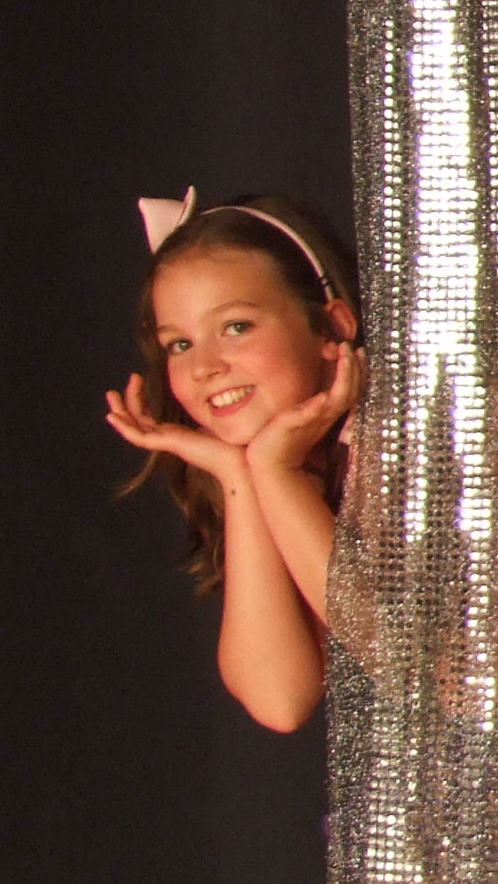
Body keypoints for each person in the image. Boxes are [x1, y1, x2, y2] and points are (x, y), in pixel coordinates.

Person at [103, 190, 367, 732]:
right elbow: (280, 699)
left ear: (331, 328)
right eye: (179, 344)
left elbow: (409, 659)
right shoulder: (286, 462)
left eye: (236, 327)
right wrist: (239, 475)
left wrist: (275, 473)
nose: (204, 367)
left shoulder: (414, 444)